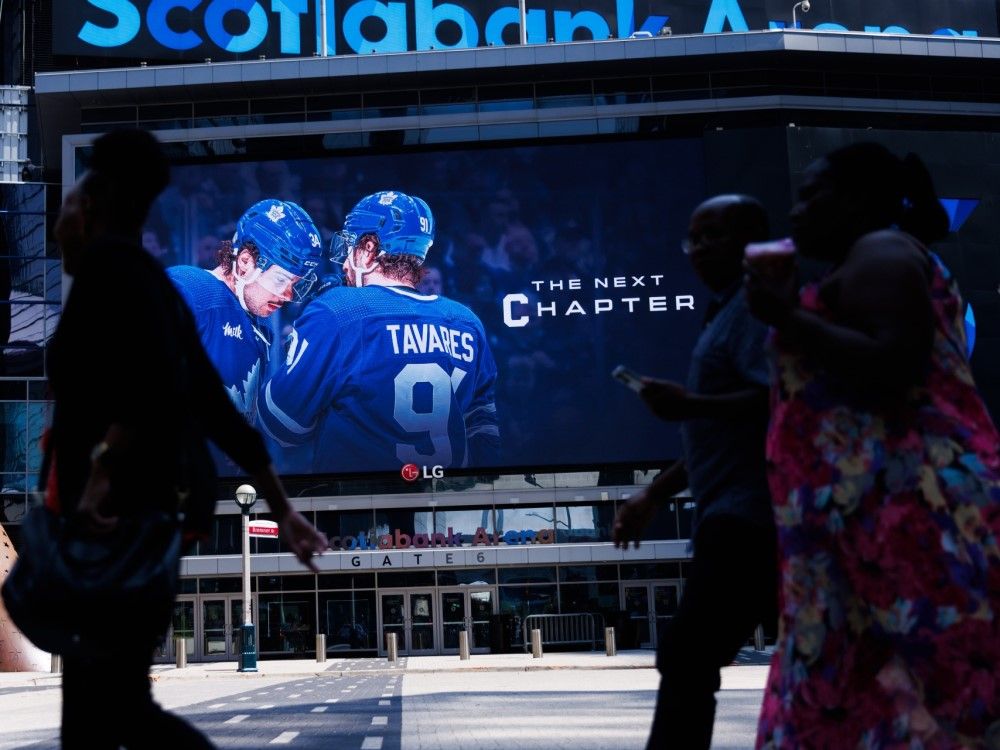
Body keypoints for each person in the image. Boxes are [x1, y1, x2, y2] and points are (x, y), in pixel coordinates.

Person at [49, 129, 328, 749]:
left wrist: (102, 472)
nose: (290, 296)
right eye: (287, 277)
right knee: (105, 708)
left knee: (104, 710)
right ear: (246, 260)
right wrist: (282, 508)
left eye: (73, 197)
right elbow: (219, 413)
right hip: (143, 523)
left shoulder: (150, 283)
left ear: (91, 202)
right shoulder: (182, 293)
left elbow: (153, 388)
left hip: (116, 525)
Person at [744, 143, 1000, 747]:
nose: (797, 211)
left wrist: (785, 316)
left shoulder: (882, 253)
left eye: (813, 195)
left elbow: (895, 363)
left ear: (859, 201)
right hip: (864, 534)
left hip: (909, 520)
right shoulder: (862, 261)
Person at [613, 195, 778, 750]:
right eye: (693, 239)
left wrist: (692, 406)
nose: (698, 250)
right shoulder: (728, 309)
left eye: (714, 236)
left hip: (753, 514)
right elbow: (718, 430)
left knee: (686, 653)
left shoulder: (759, 309)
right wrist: (653, 495)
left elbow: (784, 401)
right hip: (729, 509)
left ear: (755, 239)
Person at [259, 190, 500, 474]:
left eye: (350, 248)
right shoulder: (466, 321)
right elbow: (483, 430)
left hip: (356, 504)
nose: (345, 263)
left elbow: (282, 424)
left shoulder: (338, 311)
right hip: (444, 500)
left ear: (369, 249)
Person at [167, 199, 323, 422]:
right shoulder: (189, 288)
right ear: (245, 261)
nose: (288, 295)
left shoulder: (261, 328)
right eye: (281, 280)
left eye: (295, 284)